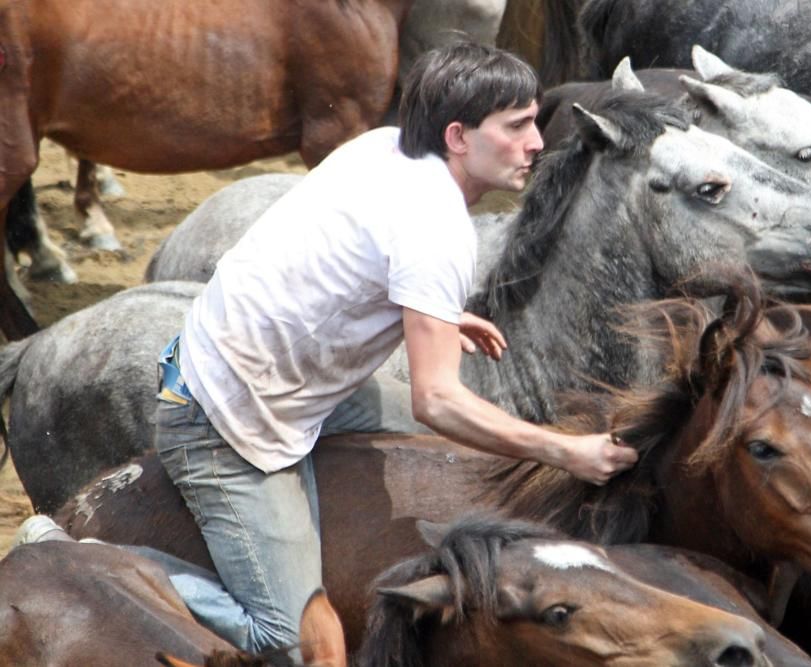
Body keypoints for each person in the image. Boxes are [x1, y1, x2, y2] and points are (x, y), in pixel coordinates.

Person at [16, 42, 638, 655]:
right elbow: (439, 401)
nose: (536, 141)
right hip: (227, 419)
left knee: (437, 452)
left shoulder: (384, 145)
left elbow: (335, 258)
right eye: (518, 125)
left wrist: (434, 311)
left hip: (242, 361)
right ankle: (85, 556)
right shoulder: (438, 230)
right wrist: (564, 450)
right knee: (289, 639)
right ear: (457, 136)